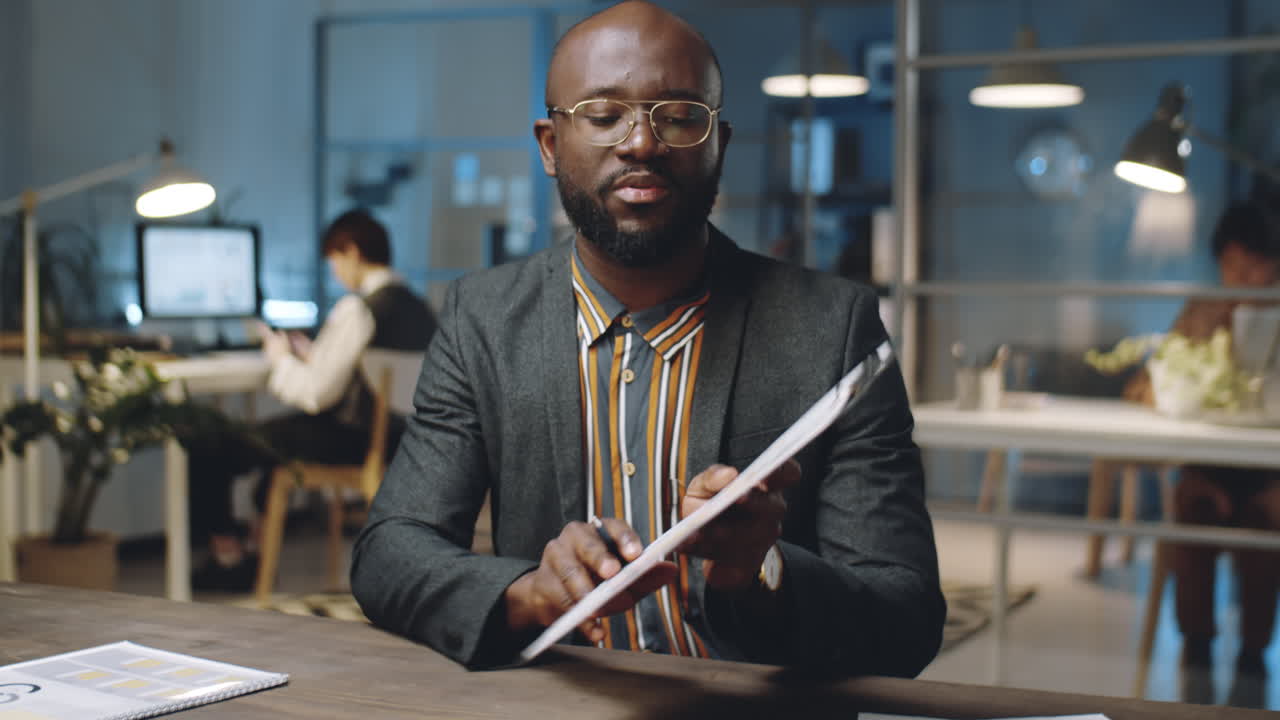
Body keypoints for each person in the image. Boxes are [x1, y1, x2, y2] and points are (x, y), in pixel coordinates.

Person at [351, 0, 944, 674]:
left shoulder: (833, 330)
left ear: (719, 141)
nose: (640, 144)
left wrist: (762, 569)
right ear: (551, 146)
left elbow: (907, 618)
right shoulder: (483, 320)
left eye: (682, 117)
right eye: (604, 116)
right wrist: (529, 595)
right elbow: (391, 551)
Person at [189, 209, 438, 592]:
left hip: (348, 438)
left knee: (210, 444)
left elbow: (316, 395)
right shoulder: (418, 309)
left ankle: (229, 558)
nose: (336, 272)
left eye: (335, 261)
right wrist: (315, 355)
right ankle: (250, 548)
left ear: (351, 252)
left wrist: (280, 357)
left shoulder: (358, 309)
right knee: (266, 453)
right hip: (398, 439)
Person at [1125, 202, 1280, 705]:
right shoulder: (1201, 311)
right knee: (1191, 510)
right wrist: (1194, 338)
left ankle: (1253, 660)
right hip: (1205, 463)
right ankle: (1196, 650)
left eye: (1254, 266)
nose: (1243, 277)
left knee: (1266, 521)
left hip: (1269, 470)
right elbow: (1144, 386)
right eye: (1232, 266)